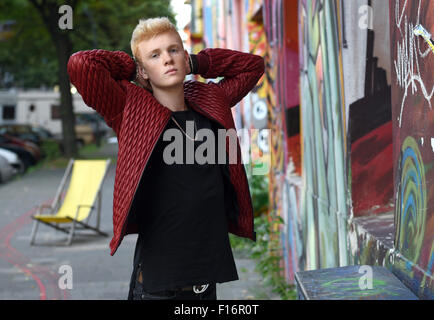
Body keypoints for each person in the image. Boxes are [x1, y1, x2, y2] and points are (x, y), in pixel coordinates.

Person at [67, 17, 264, 300]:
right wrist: (132, 66)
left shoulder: (210, 100)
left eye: (174, 50)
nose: (168, 60)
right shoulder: (130, 109)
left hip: (205, 279)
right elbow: (81, 65)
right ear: (144, 70)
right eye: (155, 55)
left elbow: (253, 66)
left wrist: (196, 63)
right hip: (159, 284)